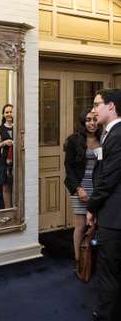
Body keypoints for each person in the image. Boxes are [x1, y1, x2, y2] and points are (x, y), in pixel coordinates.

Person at [87, 89, 121, 321]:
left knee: (108, 268)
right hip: (111, 211)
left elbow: (108, 178)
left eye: (97, 104)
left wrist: (92, 207)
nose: (94, 110)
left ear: (111, 106)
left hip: (114, 215)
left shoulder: (117, 135)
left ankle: (105, 315)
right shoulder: (110, 133)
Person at [64, 108, 100, 270]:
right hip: (80, 187)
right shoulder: (73, 140)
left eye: (94, 119)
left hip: (99, 187)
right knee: (81, 225)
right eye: (88, 120)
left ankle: (93, 257)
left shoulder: (105, 139)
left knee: (96, 224)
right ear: (82, 122)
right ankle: (79, 261)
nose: (92, 123)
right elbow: (69, 167)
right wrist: (78, 188)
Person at [0, 104, 14, 209]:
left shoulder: (19, 126)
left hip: (18, 159)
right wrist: (4, 143)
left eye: (11, 111)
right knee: (6, 186)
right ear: (3, 114)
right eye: (7, 112)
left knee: (16, 185)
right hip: (5, 160)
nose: (9, 114)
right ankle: (8, 209)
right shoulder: (0, 128)